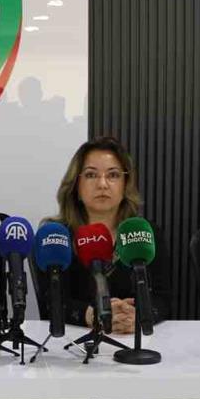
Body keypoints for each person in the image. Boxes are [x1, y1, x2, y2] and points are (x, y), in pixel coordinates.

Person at [39, 137, 170, 333]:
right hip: (75, 341)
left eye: (113, 175)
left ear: (125, 184)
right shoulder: (56, 235)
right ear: (76, 185)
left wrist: (140, 315)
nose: (102, 184)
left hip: (133, 338)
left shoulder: (144, 232)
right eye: (91, 175)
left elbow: (163, 299)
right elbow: (51, 302)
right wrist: (90, 315)